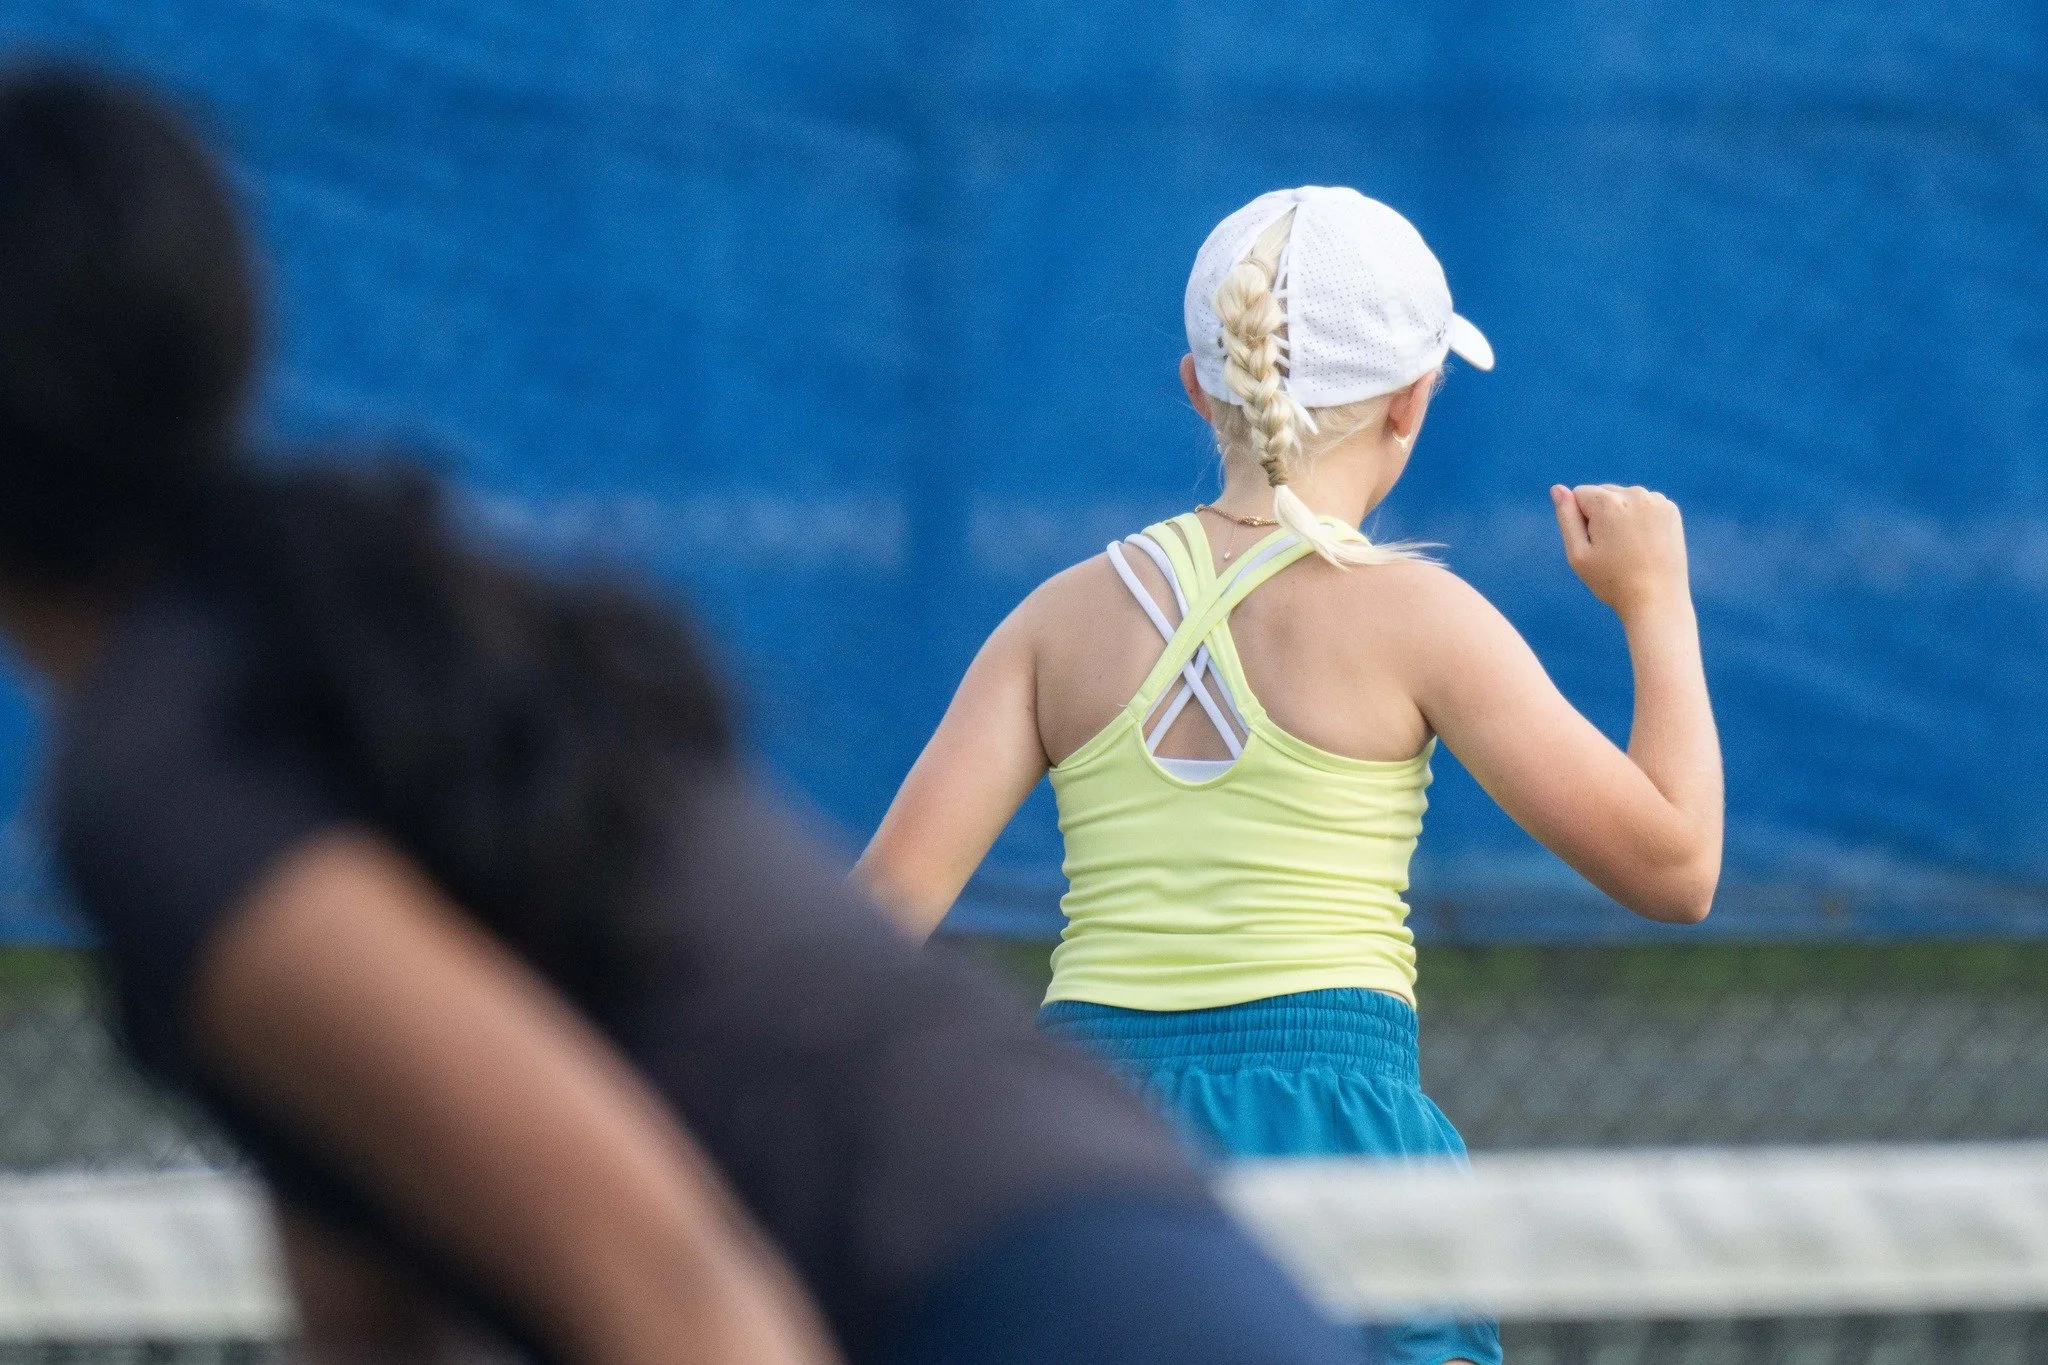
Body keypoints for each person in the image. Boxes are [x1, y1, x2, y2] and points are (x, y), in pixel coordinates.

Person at [0, 71, 1366, 1364]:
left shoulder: (166, 766)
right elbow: (377, 1309)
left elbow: (678, 1296)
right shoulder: (325, 629)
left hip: (1021, 1303)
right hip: (1126, 1261)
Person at [858, 185, 1726, 1365]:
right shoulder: (1422, 618)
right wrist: (1655, 601)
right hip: (1341, 1133)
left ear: (1192, 385)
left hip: (1084, 1139)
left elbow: (860, 940)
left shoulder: (1051, 623)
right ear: (1412, 402)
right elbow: (1675, 866)